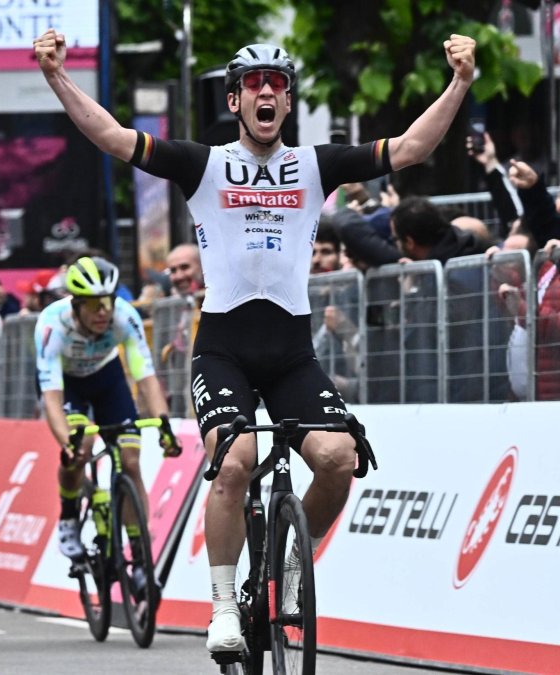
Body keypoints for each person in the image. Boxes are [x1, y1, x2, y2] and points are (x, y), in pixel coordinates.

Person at [34, 28, 476, 653]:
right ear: (235, 100)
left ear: (287, 101)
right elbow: (112, 136)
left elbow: (410, 148)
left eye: (276, 84)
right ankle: (222, 609)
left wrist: (460, 82)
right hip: (223, 350)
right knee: (235, 460)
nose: (265, 92)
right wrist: (57, 75)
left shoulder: (316, 165)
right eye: (252, 84)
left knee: (339, 459)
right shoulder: (204, 164)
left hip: (291, 353)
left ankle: (292, 569)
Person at [34, 257, 178, 578]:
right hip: (67, 385)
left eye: (108, 302)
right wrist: (67, 444)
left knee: (130, 461)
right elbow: (52, 398)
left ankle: (139, 555)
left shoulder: (125, 317)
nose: (103, 312)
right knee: (81, 445)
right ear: (76, 304)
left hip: (106, 377)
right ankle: (68, 516)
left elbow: (146, 377)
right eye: (93, 305)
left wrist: (164, 425)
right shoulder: (51, 325)